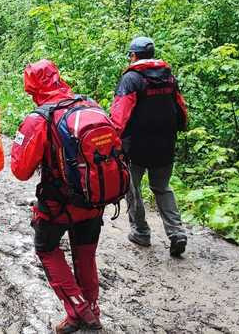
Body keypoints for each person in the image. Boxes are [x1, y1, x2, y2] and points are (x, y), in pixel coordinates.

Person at [11, 59, 105, 333]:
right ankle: (89, 310)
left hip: (57, 204)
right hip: (93, 198)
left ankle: (81, 311)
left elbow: (20, 170)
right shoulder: (90, 105)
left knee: (47, 249)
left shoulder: (39, 118)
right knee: (85, 254)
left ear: (31, 87)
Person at [110, 36, 189, 256]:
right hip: (165, 143)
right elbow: (181, 108)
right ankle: (176, 232)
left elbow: (120, 115)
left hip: (136, 145)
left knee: (132, 188)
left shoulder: (131, 79)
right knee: (162, 188)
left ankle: (141, 232)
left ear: (133, 55)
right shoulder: (168, 77)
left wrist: (114, 142)